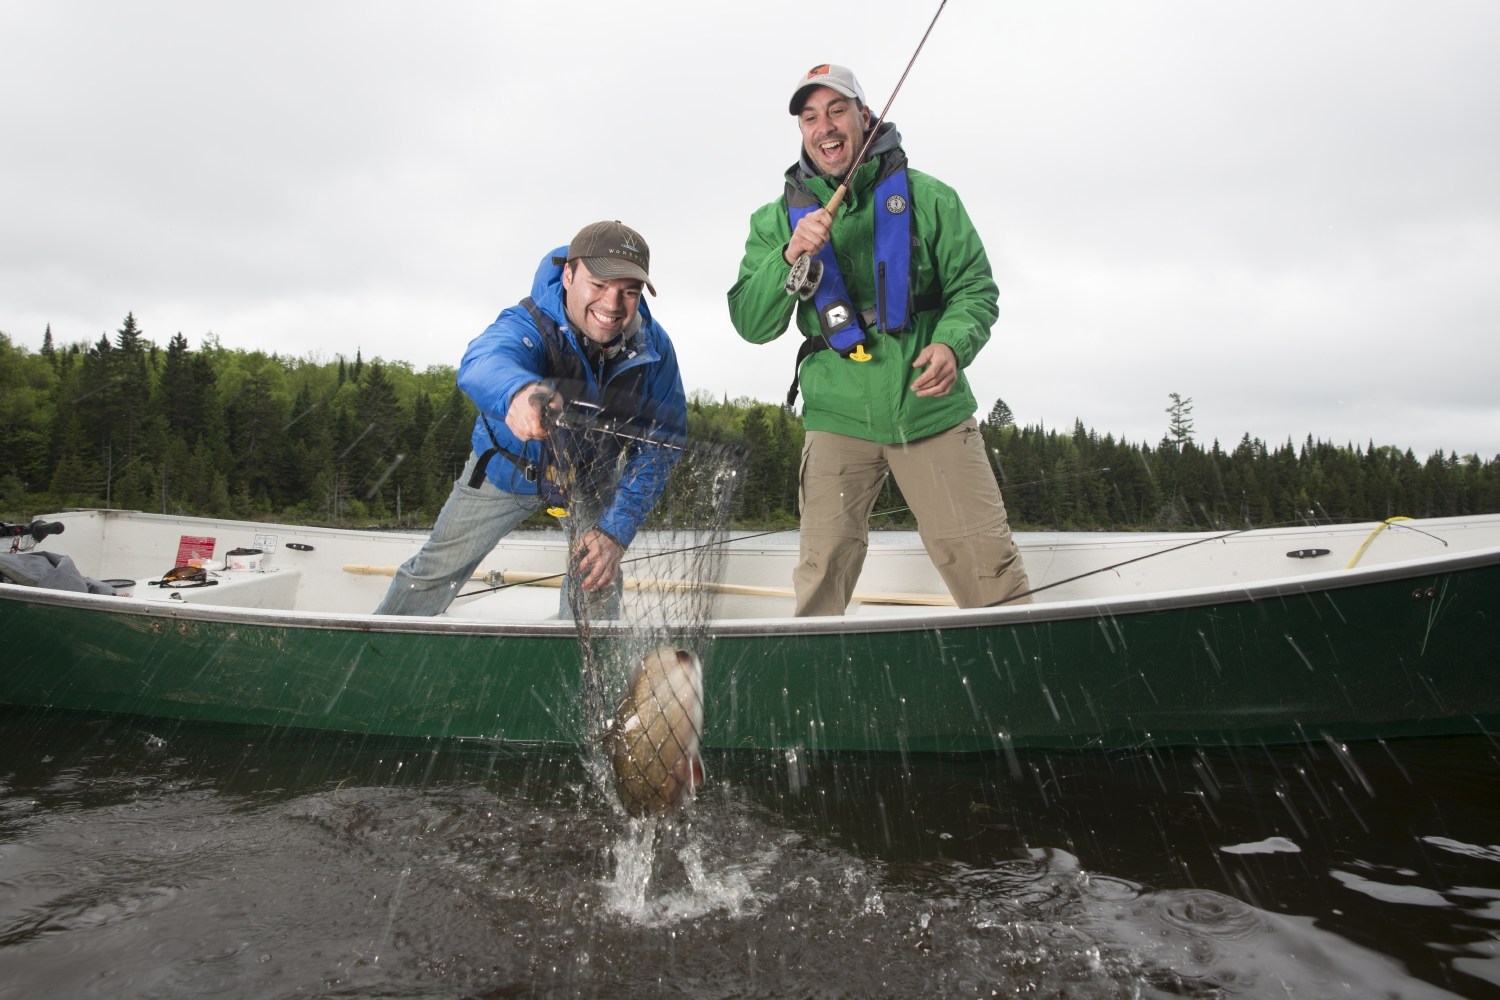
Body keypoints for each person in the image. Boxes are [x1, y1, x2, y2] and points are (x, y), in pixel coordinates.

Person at [727, 64, 1031, 616]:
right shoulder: (774, 221)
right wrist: (790, 255)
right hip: (836, 414)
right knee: (820, 578)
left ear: (865, 116)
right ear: (801, 132)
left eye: (838, 110)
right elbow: (751, 323)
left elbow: (975, 290)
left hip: (931, 407)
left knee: (991, 573)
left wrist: (952, 345)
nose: (826, 127)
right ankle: (813, 693)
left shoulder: (930, 196)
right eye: (810, 117)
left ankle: (1023, 684)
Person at [377, 220, 687, 619]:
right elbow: (483, 361)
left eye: (628, 291)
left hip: (591, 478)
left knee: (596, 587)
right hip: (507, 468)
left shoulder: (655, 347)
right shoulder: (528, 321)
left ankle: (582, 676)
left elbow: (664, 443)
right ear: (569, 274)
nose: (612, 305)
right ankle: (374, 652)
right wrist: (519, 393)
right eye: (597, 285)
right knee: (433, 572)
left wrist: (615, 531)